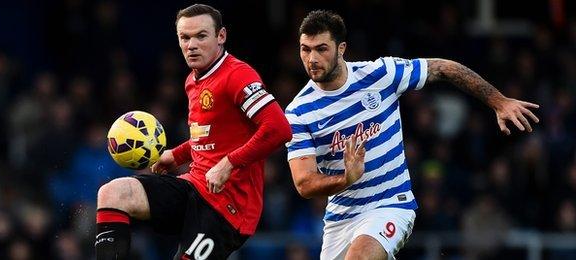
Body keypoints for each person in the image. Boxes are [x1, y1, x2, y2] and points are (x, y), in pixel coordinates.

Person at [285, 10, 540, 260]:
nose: (312, 58)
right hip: (341, 217)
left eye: (321, 48)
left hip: (391, 205)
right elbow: (304, 183)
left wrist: (499, 102)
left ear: (341, 49)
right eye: (305, 49)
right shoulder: (299, 112)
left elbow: (443, 68)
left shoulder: (380, 74)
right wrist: (345, 179)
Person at [95, 4, 292, 259]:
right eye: (185, 38)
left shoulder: (237, 75)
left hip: (228, 208)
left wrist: (228, 163)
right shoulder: (193, 79)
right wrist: (176, 156)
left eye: (201, 36)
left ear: (221, 36)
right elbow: (210, 136)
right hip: (194, 187)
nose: (192, 45)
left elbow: (279, 128)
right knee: (112, 193)